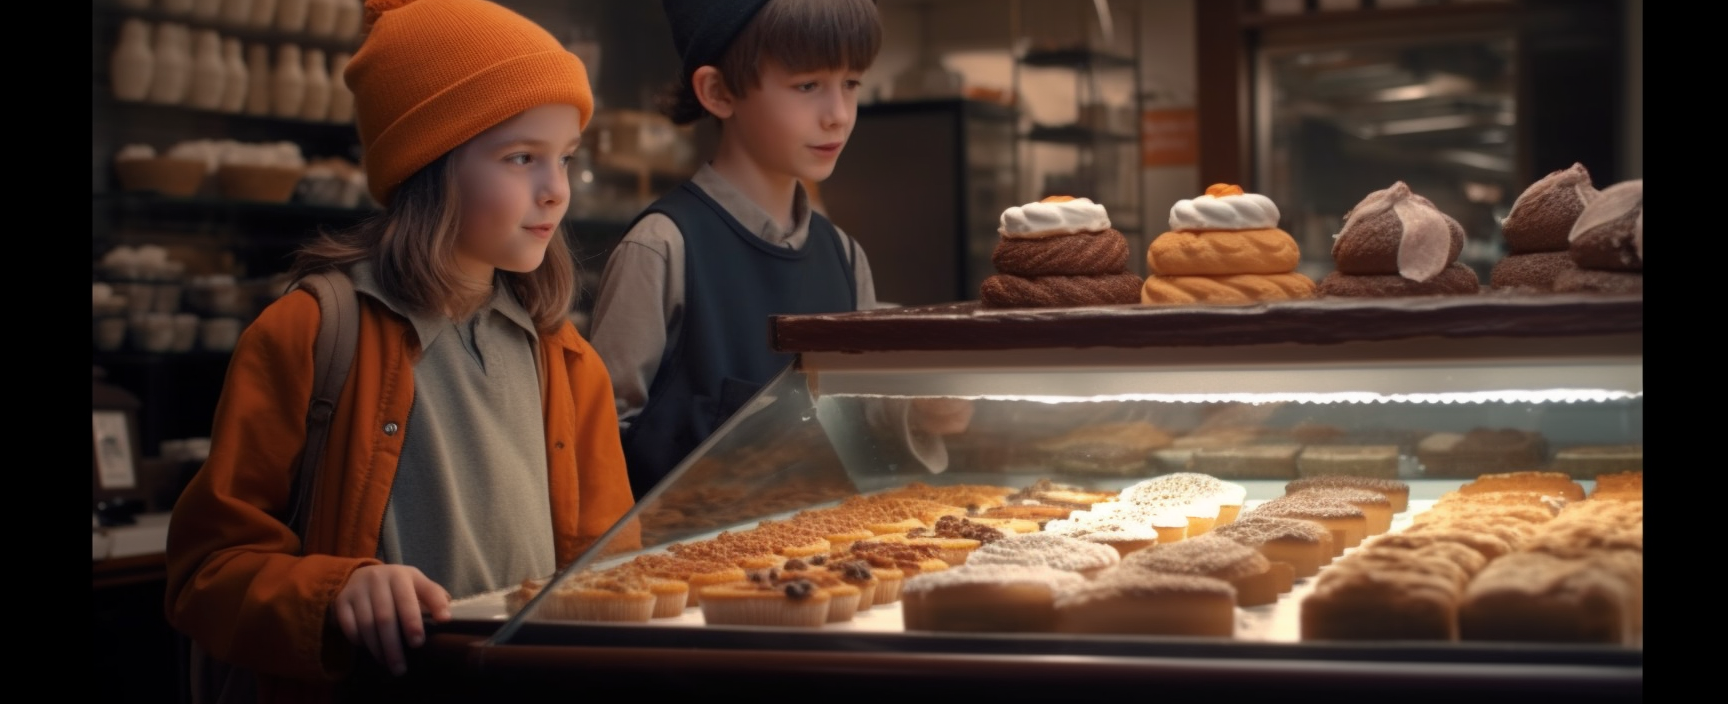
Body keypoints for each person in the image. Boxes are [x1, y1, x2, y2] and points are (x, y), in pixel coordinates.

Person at [163, 1, 637, 700]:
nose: (556, 191)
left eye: (565, 158)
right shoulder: (308, 334)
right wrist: (338, 590)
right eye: (521, 158)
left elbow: (610, 570)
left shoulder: (567, 361)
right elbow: (206, 572)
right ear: (430, 163)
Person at [589, 0, 970, 499]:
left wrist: (921, 405)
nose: (838, 115)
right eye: (808, 86)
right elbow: (595, 445)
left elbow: (852, 408)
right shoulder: (663, 247)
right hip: (685, 567)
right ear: (718, 91)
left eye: (851, 83)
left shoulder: (845, 257)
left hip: (819, 558)